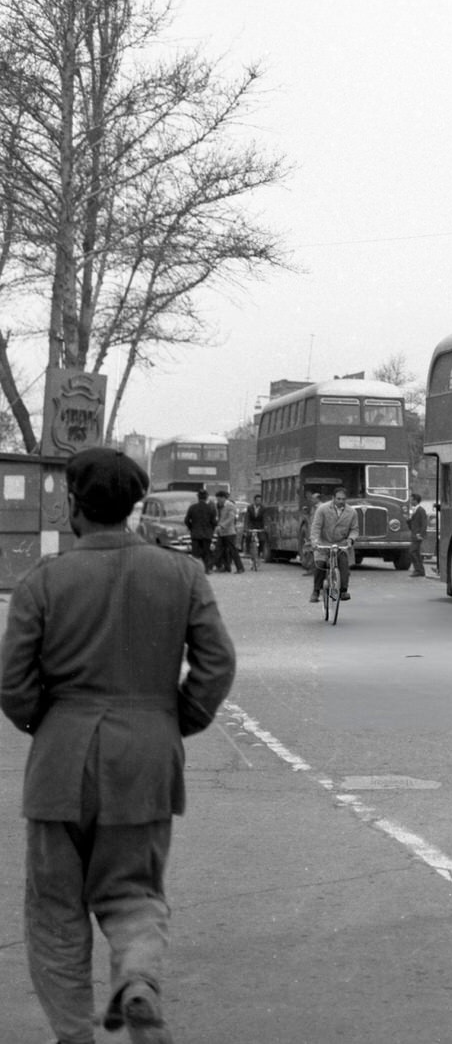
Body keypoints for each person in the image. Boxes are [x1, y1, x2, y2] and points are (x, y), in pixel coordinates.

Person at [1, 447, 236, 1044]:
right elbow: (217, 663)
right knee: (134, 892)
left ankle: (75, 1035)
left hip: (60, 762)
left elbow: (13, 682)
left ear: (74, 506)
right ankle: (136, 983)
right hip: (148, 756)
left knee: (54, 911)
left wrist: (48, 726)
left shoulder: (43, 582)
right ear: (134, 507)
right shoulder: (183, 575)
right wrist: (174, 720)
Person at [310, 486, 358, 603]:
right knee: (320, 564)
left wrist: (351, 539)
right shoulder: (322, 509)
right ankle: (316, 591)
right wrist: (315, 541)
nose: (341, 501)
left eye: (343, 499)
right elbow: (316, 527)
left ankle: (343, 591)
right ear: (333, 498)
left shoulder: (352, 512)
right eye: (338, 499)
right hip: (323, 543)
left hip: (341, 544)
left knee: (344, 565)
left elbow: (354, 529)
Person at [184, 487, 216, 572]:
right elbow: (214, 522)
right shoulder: (210, 508)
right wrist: (211, 530)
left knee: (195, 553)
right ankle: (207, 569)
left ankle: (195, 570)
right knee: (206, 552)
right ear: (206, 497)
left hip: (195, 534)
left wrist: (192, 528)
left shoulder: (192, 507)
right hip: (207, 534)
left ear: (198, 497)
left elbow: (186, 520)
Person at [212, 488, 244, 573]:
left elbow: (231, 518)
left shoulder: (230, 505)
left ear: (223, 498)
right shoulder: (217, 505)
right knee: (218, 550)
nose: (218, 501)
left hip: (229, 532)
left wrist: (221, 526)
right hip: (221, 532)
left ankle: (240, 568)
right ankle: (225, 567)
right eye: (217, 499)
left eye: (219, 499)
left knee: (233, 551)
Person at [407, 492, 428, 578]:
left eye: (411, 499)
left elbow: (424, 523)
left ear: (415, 500)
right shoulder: (413, 510)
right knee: (416, 553)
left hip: (418, 535)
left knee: (412, 551)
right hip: (414, 534)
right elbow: (411, 524)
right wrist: (408, 520)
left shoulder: (421, 510)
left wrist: (421, 534)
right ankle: (420, 570)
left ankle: (418, 570)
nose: (410, 501)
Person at [244, 492, 267, 561]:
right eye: (257, 500)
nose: (258, 502)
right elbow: (247, 518)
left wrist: (265, 526)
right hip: (251, 525)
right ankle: (248, 551)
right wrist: (246, 527)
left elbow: (265, 518)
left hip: (260, 525)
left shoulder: (263, 508)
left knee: (262, 539)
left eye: (260, 500)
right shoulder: (250, 507)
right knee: (248, 537)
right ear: (254, 501)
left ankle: (260, 552)